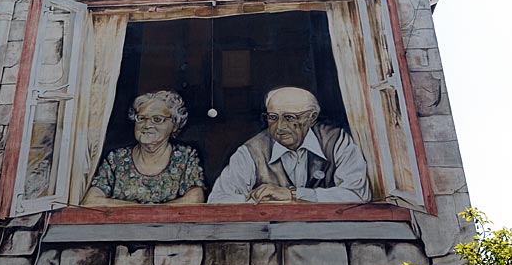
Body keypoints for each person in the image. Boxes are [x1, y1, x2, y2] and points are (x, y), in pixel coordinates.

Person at [207, 87, 370, 204]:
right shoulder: (251, 151)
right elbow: (218, 199)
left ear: (311, 118)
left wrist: (294, 195)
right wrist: (264, 201)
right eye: (272, 117)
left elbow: (357, 194)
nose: (279, 127)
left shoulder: (336, 141)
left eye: (289, 118)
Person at [82, 90, 205, 205]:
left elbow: (195, 199)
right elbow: (91, 201)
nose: (147, 125)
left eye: (157, 119)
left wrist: (148, 213)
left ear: (174, 125)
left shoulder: (185, 156)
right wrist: (140, 211)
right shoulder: (117, 159)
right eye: (141, 118)